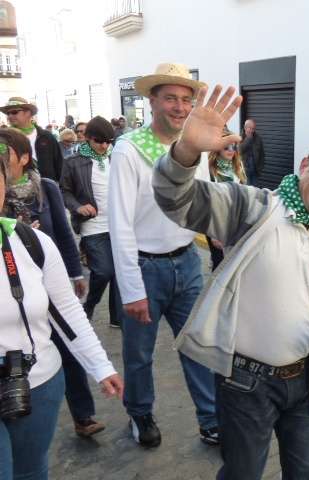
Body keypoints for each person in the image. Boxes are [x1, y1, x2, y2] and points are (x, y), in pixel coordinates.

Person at [152, 84, 309, 480]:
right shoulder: (257, 208)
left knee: (306, 473)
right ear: (305, 164)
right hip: (244, 381)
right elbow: (177, 199)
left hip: (305, 380)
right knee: (243, 473)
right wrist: (186, 151)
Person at [108, 63, 218, 448]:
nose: (180, 107)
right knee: (139, 354)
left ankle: (211, 419)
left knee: (197, 345)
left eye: (186, 99)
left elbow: (205, 200)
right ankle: (140, 414)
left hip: (188, 262)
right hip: (144, 267)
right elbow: (120, 224)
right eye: (170, 98)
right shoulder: (128, 150)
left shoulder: (194, 144)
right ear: (151, 101)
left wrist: (221, 236)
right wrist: (132, 289)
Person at [0, 137, 123, 480]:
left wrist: (100, 366)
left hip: (36, 384)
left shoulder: (31, 243)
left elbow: (68, 313)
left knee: (30, 471)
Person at [60, 116, 123, 330]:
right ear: (87, 138)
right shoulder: (73, 162)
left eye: (108, 141)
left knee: (119, 271)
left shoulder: (117, 158)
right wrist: (78, 207)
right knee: (104, 271)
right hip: (93, 226)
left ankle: (117, 317)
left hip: (119, 225)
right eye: (99, 141)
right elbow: (64, 191)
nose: (104, 146)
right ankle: (89, 305)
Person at [206, 130, 246, 270]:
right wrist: (213, 233)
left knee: (233, 265)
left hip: (235, 222)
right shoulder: (209, 170)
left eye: (234, 146)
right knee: (219, 265)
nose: (231, 150)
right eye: (226, 147)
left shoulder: (238, 167)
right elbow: (208, 203)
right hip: (216, 223)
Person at [0, 97, 64, 182]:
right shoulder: (4, 138)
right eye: (8, 113)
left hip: (45, 186)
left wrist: (57, 186)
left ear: (28, 113)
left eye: (14, 112)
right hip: (14, 187)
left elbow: (59, 164)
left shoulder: (46, 136)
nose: (10, 116)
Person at [239, 118, 264, 186]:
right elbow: (239, 151)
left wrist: (260, 167)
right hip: (244, 171)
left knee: (255, 189)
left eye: (253, 128)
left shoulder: (258, 138)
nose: (252, 130)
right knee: (246, 189)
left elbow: (262, 154)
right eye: (250, 128)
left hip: (255, 170)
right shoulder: (239, 137)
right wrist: (248, 139)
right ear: (245, 127)